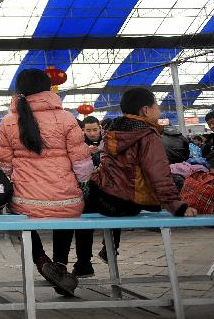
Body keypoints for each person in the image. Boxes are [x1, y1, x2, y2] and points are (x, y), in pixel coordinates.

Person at [0, 69, 93, 295]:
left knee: (17, 220)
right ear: (48, 89)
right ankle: (59, 264)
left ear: (19, 91)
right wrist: (84, 184)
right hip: (65, 195)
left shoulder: (10, 121)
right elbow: (81, 162)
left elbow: (5, 165)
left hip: (24, 199)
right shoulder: (67, 117)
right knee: (67, 210)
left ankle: (42, 261)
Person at [83, 88, 197, 262]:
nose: (159, 110)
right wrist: (177, 206)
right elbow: (159, 173)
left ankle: (83, 263)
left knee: (82, 196)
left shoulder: (112, 132)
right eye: (156, 105)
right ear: (145, 110)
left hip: (104, 200)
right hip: (127, 203)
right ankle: (108, 250)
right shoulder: (147, 135)